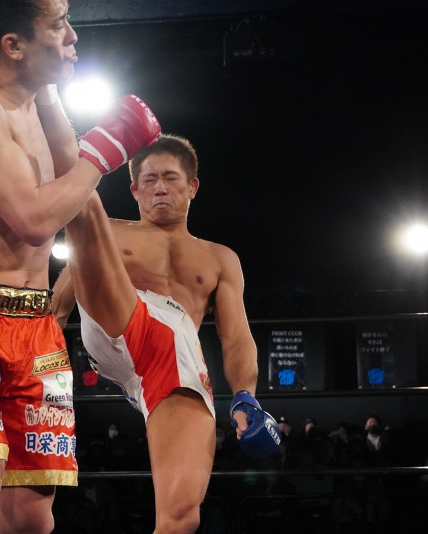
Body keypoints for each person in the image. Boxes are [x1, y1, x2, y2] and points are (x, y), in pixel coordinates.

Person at [0, 1, 160, 532]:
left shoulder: (43, 96)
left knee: (31, 517)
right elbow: (36, 219)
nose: (72, 36)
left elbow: (74, 183)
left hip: (36, 323)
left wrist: (121, 308)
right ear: (13, 45)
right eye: (57, 24)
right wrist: (107, 147)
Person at [52, 134, 280, 533]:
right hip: (117, 323)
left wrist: (245, 397)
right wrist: (29, 371)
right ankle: (60, 132)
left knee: (182, 517)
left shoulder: (220, 258)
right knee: (85, 211)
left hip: (172, 358)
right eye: (150, 179)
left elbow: (236, 337)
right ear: (134, 190)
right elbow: (56, 309)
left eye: (171, 178)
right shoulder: (108, 233)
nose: (160, 188)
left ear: (192, 186)